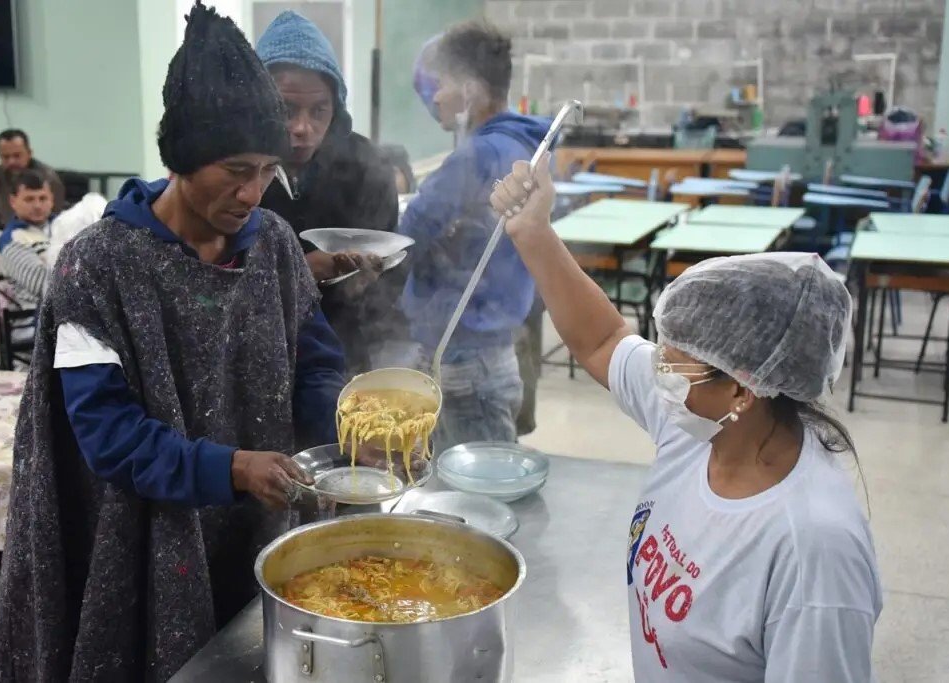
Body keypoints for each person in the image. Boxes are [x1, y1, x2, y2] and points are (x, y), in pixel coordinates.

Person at [0, 4, 344, 680]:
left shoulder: (271, 244)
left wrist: (344, 431)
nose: (253, 190)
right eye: (235, 168)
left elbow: (314, 356)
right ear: (181, 157)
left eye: (269, 169)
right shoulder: (98, 265)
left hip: (257, 526)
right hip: (147, 544)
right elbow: (107, 432)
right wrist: (231, 467)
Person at [490, 157, 883, 681]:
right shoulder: (702, 425)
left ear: (743, 389)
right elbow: (602, 340)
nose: (659, 371)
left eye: (675, 361)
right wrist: (533, 233)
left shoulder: (813, 552)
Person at [399, 22, 550, 452]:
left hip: (464, 357)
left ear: (468, 90)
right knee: (483, 483)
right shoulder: (523, 146)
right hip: (496, 350)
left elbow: (411, 232)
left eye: (441, 84)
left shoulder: (476, 155)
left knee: (474, 496)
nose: (436, 97)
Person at [255, 11, 404, 374]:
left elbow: (392, 270)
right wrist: (304, 273)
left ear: (336, 107)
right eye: (285, 109)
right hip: (257, 359)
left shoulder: (367, 168)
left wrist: (363, 287)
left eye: (319, 110)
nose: (302, 128)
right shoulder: (235, 174)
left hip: (344, 359)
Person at [0, 169, 56, 304]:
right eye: (29, 199)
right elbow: (44, 286)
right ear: (13, 201)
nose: (37, 206)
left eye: (43, 198)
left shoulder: (65, 225)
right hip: (34, 318)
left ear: (51, 199)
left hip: (71, 312)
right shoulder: (11, 240)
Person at [0, 128, 65, 230]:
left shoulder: (48, 177)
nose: (11, 161)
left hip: (42, 233)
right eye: (5, 157)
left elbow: (57, 217)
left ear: (29, 153)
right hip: (5, 233)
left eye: (17, 156)